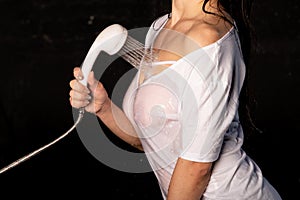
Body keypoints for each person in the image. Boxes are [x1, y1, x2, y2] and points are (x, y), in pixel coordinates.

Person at [69, 0, 282, 199]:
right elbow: (154, 141)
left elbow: (196, 167)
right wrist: (103, 107)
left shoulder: (210, 39)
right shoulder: (161, 26)